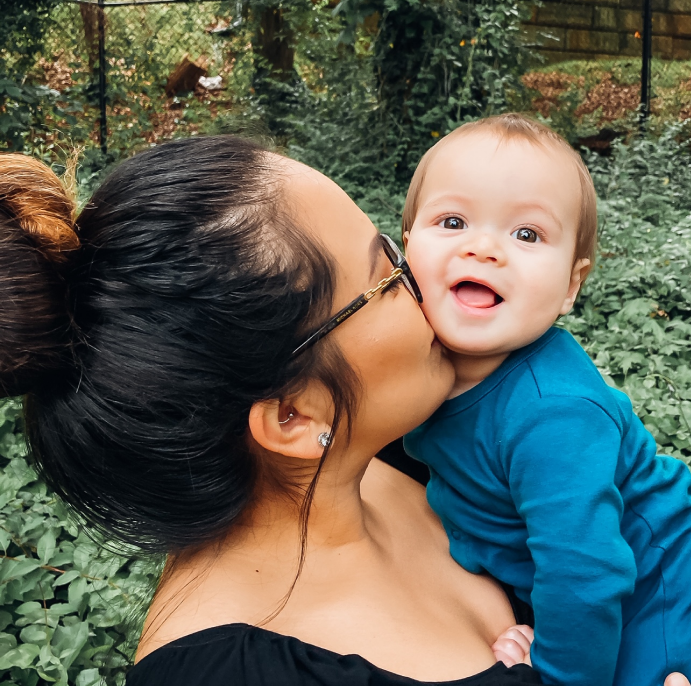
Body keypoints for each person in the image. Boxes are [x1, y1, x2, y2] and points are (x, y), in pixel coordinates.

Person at [0, 142, 688, 686]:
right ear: (294, 417)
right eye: (387, 275)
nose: (422, 277)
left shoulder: (405, 446)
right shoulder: (235, 672)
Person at [402, 114, 691, 686]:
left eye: (527, 234)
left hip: (657, 585)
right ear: (406, 246)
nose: (483, 248)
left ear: (570, 286)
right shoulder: (408, 358)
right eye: (453, 220)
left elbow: (587, 575)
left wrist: (557, 673)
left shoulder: (553, 412)